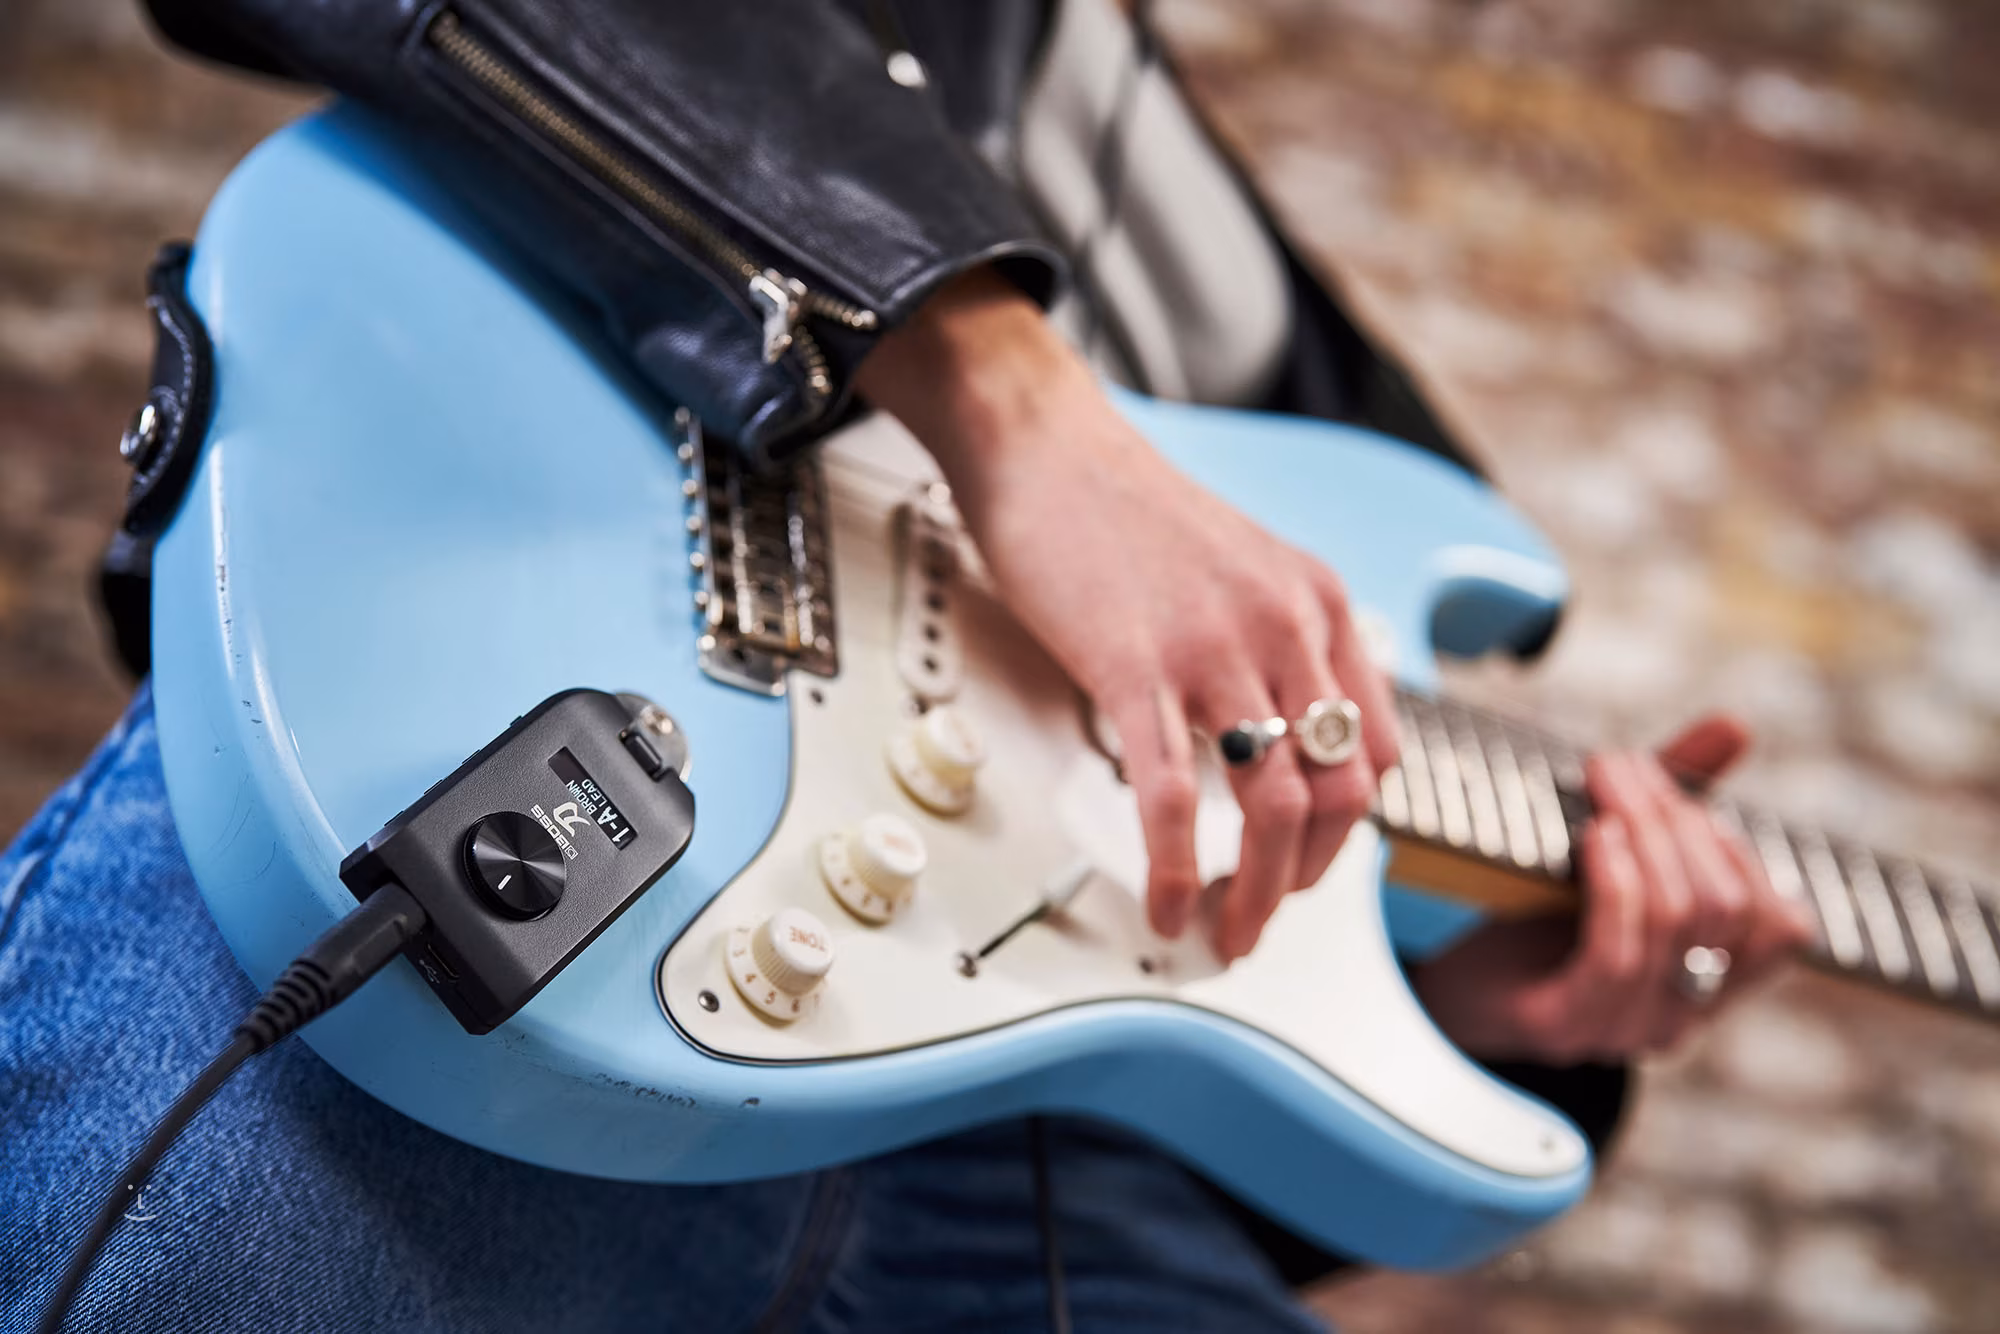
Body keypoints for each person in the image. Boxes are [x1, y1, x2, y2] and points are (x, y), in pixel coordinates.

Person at [1, 1, 1812, 1330]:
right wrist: (1011, 405)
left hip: (1065, 1175)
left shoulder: (1302, 346)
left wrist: (1480, 1003)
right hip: (555, 943)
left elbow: (1244, 972)